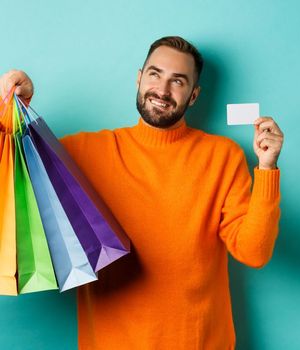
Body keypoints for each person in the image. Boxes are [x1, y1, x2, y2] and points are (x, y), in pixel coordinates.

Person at [0, 36, 284, 349]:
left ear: (193, 96)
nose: (162, 91)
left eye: (177, 81)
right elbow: (11, 173)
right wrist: (13, 110)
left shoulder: (223, 156)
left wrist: (267, 168)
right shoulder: (82, 152)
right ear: (139, 77)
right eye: (154, 74)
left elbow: (254, 252)